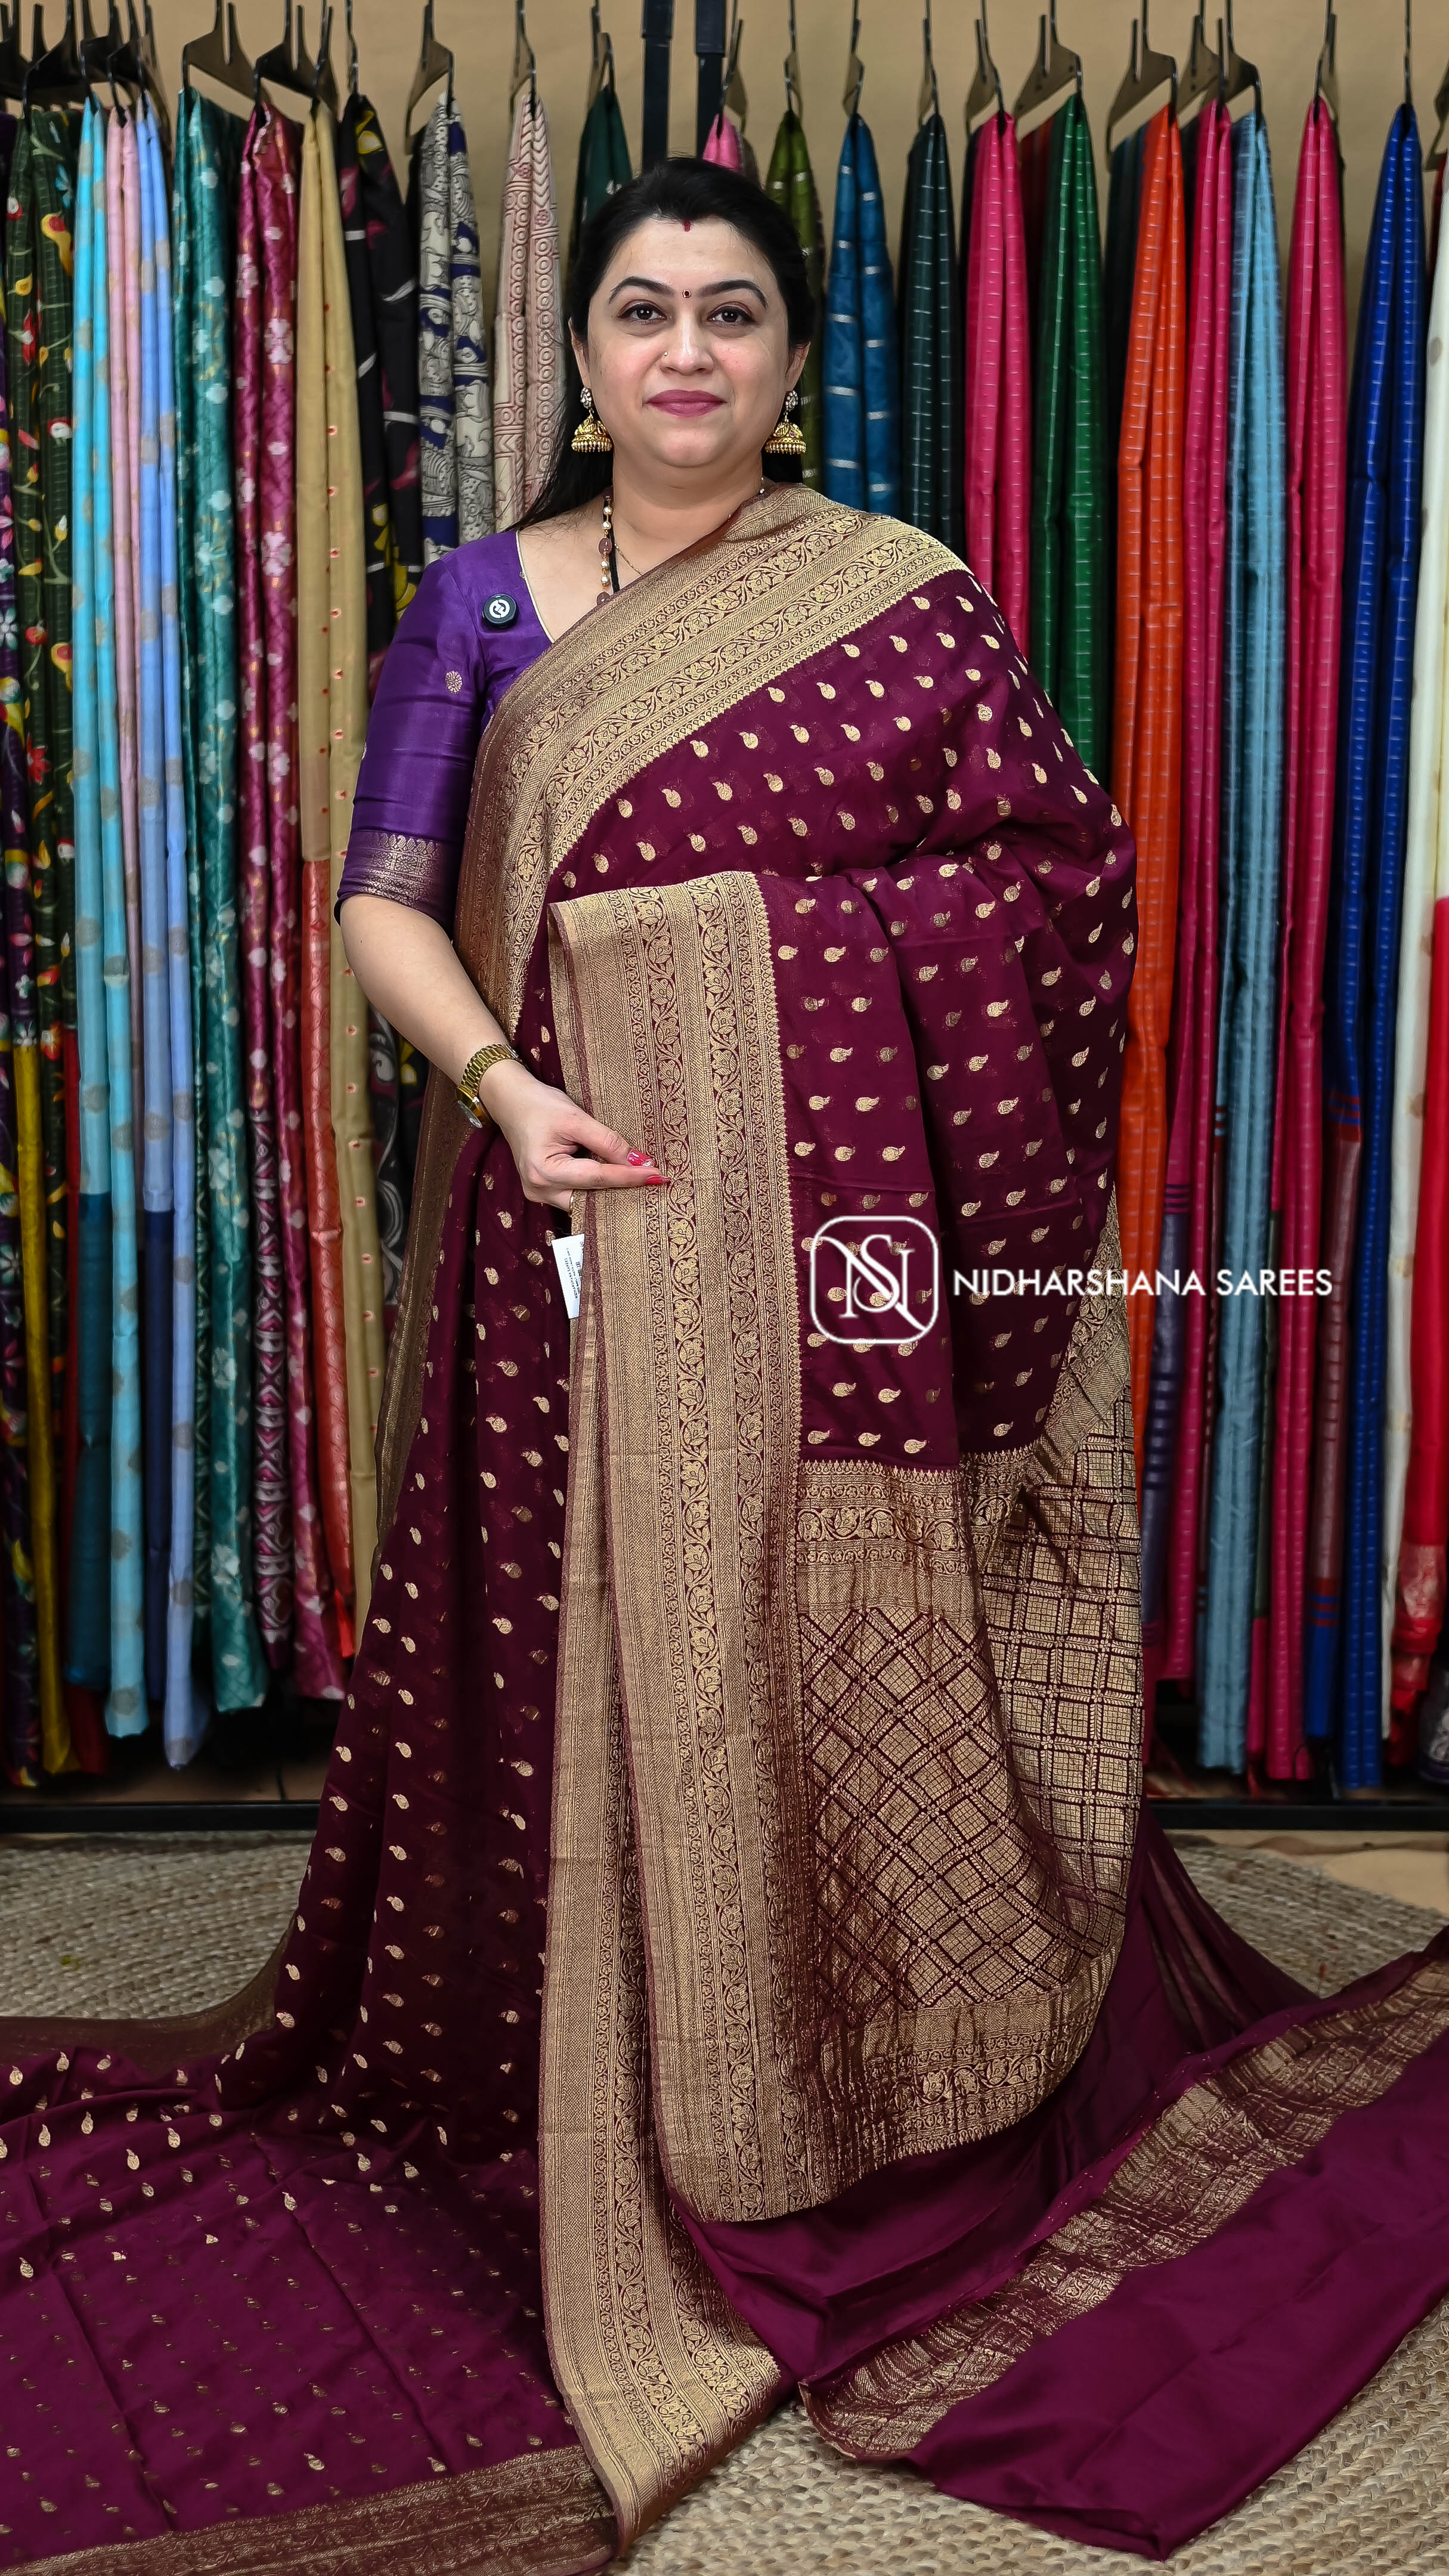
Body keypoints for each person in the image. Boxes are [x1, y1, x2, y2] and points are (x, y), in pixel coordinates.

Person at [1, 157, 1447, 2576]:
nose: (688, 353)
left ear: (792, 361)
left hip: (839, 1264)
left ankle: (834, 2070)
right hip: (566, 1230)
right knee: (578, 1654)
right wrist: (504, 1087)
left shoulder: (898, 599)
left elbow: (1056, 889)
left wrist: (752, 971)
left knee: (809, 1624)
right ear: (582, 355)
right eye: (646, 311)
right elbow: (381, 899)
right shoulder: (479, 603)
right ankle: (588, 2065)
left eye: (734, 313)